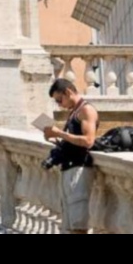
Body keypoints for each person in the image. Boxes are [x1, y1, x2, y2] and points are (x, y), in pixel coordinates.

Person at [43, 77, 98, 234]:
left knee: (78, 224)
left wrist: (59, 132)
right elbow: (72, 141)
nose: (59, 105)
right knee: (70, 225)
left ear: (68, 92)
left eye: (60, 100)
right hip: (68, 169)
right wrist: (54, 138)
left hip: (79, 171)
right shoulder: (74, 112)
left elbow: (88, 141)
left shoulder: (86, 110)